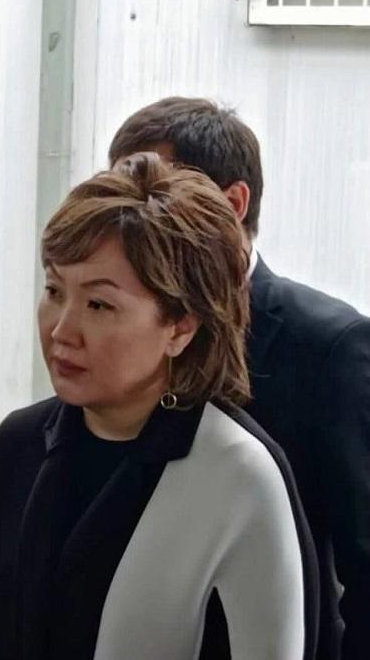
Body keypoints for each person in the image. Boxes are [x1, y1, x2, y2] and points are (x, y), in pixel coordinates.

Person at [0, 153, 317, 659]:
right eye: (54, 291)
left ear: (180, 327)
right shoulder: (19, 443)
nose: (62, 330)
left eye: (99, 305)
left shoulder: (238, 472)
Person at [108, 97, 370, 660]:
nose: (128, 223)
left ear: (233, 204)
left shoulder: (328, 346)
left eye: (159, 199)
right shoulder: (111, 326)